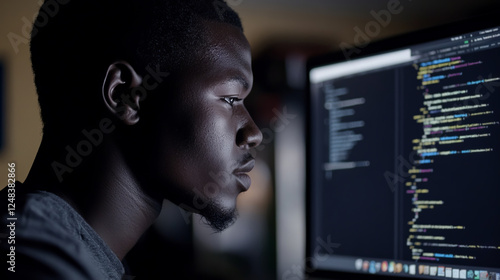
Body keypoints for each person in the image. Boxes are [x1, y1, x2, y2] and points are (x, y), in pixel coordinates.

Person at [0, 0, 262, 279]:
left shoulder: (50, 244)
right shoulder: (35, 262)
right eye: (231, 98)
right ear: (126, 96)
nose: (254, 133)